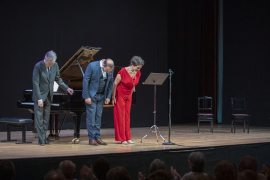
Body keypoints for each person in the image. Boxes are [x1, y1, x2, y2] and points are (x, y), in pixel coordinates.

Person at [32, 50, 73, 146]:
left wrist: (67, 88)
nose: (50, 65)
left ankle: (44, 138)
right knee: (39, 119)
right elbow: (35, 83)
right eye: (49, 63)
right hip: (40, 96)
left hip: (49, 96)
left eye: (52, 63)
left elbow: (58, 79)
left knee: (46, 119)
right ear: (45, 58)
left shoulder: (55, 65)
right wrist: (39, 99)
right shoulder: (38, 66)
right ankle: (41, 139)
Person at [112, 56, 144, 144]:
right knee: (121, 116)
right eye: (137, 68)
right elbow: (115, 84)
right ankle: (122, 139)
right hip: (120, 94)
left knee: (127, 117)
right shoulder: (123, 71)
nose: (138, 70)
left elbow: (133, 82)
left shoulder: (138, 73)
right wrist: (113, 97)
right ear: (133, 65)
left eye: (139, 68)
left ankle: (128, 138)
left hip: (128, 95)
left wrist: (133, 88)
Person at [82, 58, 114, 146]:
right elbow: (85, 80)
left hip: (102, 96)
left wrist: (108, 96)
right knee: (91, 117)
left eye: (109, 71)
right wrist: (87, 96)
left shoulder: (110, 68)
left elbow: (111, 83)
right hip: (92, 96)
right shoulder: (92, 66)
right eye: (107, 70)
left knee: (98, 117)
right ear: (103, 65)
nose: (108, 72)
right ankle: (91, 138)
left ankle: (97, 137)